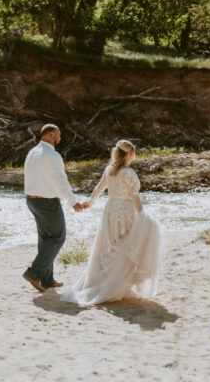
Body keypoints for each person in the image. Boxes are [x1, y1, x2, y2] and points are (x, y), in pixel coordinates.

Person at [61, 139, 164, 305]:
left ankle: (111, 282)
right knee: (125, 245)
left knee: (110, 245)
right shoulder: (128, 173)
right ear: (130, 154)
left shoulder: (110, 170)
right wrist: (142, 214)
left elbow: (98, 189)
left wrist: (89, 202)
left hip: (110, 210)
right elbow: (134, 196)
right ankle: (118, 285)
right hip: (125, 210)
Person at [23, 123, 85, 292]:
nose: (60, 138)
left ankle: (47, 279)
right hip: (47, 202)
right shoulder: (52, 155)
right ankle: (33, 272)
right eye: (58, 135)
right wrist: (73, 201)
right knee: (58, 237)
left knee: (45, 239)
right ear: (50, 135)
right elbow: (61, 180)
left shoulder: (32, 153)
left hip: (32, 201)